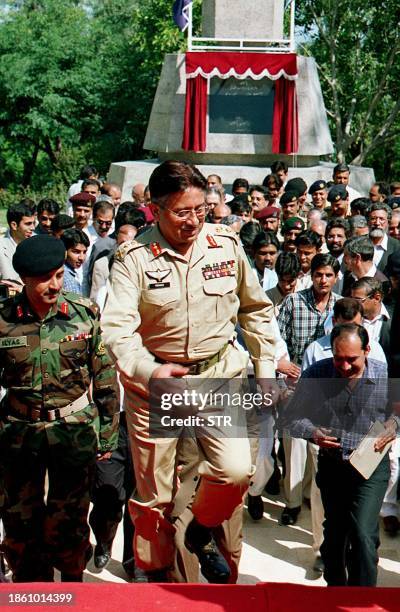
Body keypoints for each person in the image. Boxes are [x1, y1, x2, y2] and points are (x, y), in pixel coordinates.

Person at [101, 160, 276, 583]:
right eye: (183, 212)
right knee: (154, 500)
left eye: (201, 209)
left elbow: (256, 309)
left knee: (236, 471)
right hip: (157, 387)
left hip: (217, 375)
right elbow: (117, 329)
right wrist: (149, 369)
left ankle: (200, 531)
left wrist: (264, 367)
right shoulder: (133, 258)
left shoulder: (224, 244)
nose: (194, 221)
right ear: (156, 210)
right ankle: (157, 577)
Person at [0, 235, 119, 582]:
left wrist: (107, 435)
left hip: (74, 431)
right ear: (25, 279)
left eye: (58, 275)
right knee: (21, 523)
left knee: (69, 522)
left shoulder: (83, 314)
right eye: (45, 279)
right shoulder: (4, 320)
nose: (55, 285)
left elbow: (105, 377)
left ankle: (71, 590)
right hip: (19, 432)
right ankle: (30, 592)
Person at [283, 323, 396, 586]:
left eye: (351, 360)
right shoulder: (316, 375)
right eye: (338, 359)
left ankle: (362, 599)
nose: (344, 367)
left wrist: (393, 427)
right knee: (334, 536)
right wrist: (312, 432)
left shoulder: (385, 375)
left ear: (367, 350)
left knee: (363, 536)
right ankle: (336, 593)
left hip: (370, 468)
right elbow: (291, 419)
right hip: (333, 468)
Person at [277, 253, 340, 525]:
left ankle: (310, 496)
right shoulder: (293, 302)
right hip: (295, 385)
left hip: (328, 390)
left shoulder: (341, 306)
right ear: (310, 275)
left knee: (320, 447)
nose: (323, 280)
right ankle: (292, 502)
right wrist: (283, 366)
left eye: (328, 275)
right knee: (294, 447)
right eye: (318, 274)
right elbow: (278, 341)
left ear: (336, 277)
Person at [0, 202, 36, 284]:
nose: (33, 228)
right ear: (14, 225)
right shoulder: (1, 249)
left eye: (33, 223)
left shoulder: (38, 242)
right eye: (28, 224)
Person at [61, 229, 90, 295]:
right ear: (65, 251)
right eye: (76, 252)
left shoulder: (70, 273)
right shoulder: (65, 278)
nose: (81, 258)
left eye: (84, 252)